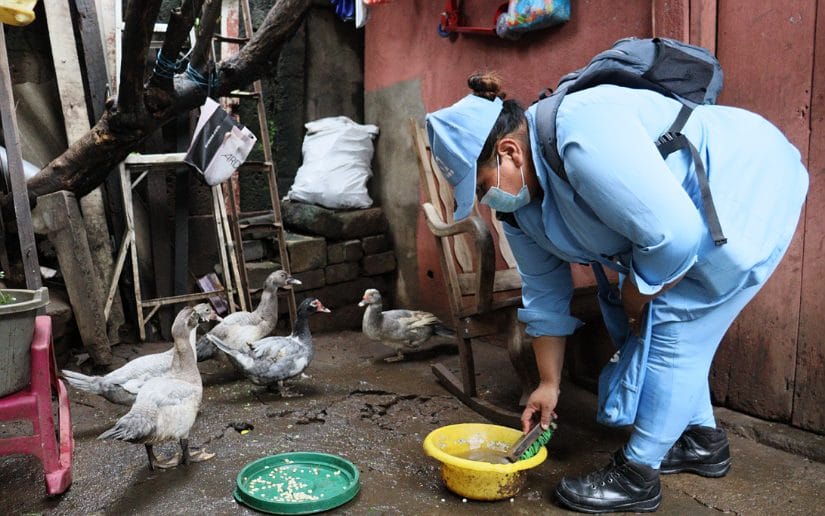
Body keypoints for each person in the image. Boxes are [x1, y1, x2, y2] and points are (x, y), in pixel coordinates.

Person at [425, 71, 808, 513]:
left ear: (509, 151)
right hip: (682, 219)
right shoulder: (522, 210)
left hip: (745, 181)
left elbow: (675, 236)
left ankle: (637, 474)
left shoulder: (581, 134)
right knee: (665, 321)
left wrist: (636, 296)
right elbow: (545, 296)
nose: (482, 201)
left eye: (480, 186)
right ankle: (704, 442)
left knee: (673, 325)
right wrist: (548, 385)